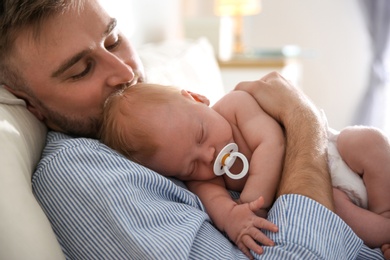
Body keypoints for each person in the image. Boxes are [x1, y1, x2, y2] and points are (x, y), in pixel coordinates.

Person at [0, 0, 386, 259]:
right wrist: (305, 121)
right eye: (80, 70)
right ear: (30, 103)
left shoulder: (172, 113)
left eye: (113, 41)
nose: (125, 73)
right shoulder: (78, 173)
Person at [100, 82, 390, 256]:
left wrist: (252, 204)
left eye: (201, 135)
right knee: (339, 210)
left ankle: (385, 210)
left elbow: (271, 143)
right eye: (190, 166)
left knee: (366, 140)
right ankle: (384, 233)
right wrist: (234, 221)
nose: (208, 155)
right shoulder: (204, 180)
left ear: (197, 98)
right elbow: (220, 208)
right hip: (321, 194)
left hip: (332, 155)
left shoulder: (236, 106)